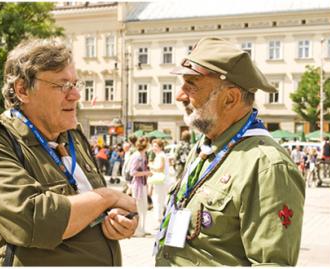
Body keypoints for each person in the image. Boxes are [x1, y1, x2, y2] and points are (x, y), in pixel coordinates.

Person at [0, 37, 137, 266]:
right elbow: (32, 221)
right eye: (62, 85)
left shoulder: (73, 137)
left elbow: (100, 206)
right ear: (23, 90)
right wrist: (107, 197)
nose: (75, 95)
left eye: (76, 84)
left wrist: (123, 220)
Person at [154, 37, 305, 266]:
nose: (179, 95)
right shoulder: (205, 147)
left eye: (191, 84)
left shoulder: (266, 165)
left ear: (230, 98)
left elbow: (271, 263)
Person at [129, 137, 152, 237]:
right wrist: (146, 172)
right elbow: (132, 172)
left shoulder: (143, 155)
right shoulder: (137, 156)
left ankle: (142, 229)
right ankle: (137, 230)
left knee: (143, 208)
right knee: (139, 208)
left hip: (142, 184)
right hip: (138, 185)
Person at [148, 139, 173, 226]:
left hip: (161, 181)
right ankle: (161, 219)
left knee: (158, 200)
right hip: (161, 181)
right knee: (160, 200)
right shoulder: (161, 155)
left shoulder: (161, 156)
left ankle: (159, 220)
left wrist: (151, 166)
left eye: (156, 146)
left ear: (160, 147)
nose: (153, 148)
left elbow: (160, 168)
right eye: (153, 146)